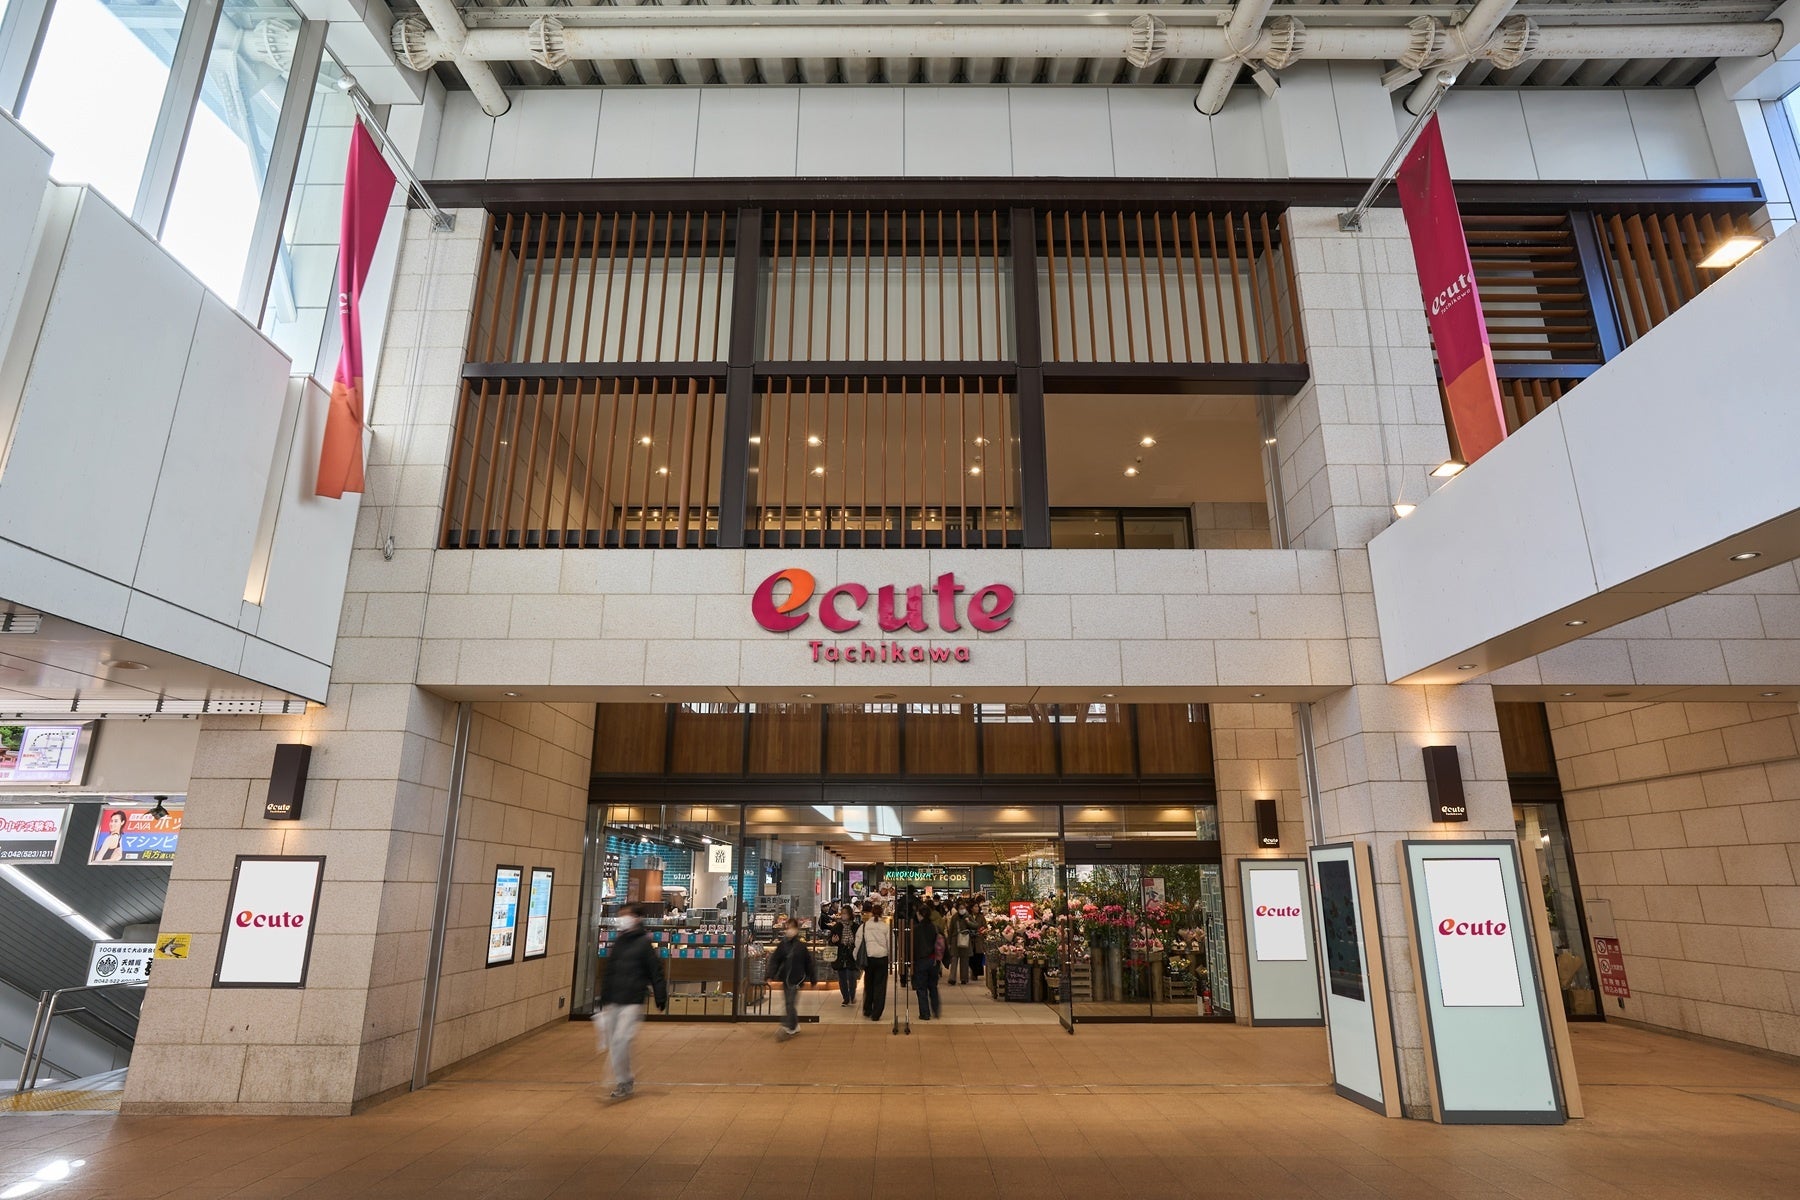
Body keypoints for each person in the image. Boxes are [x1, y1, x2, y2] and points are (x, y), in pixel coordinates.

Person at [594, 903, 667, 1100]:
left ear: (637, 918)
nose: (622, 919)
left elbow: (655, 971)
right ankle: (624, 1079)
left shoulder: (643, 943)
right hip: (614, 999)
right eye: (621, 915)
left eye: (626, 915)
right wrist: (604, 997)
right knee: (614, 1042)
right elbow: (610, 971)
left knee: (621, 1039)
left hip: (633, 1000)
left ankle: (624, 1081)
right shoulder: (619, 942)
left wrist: (660, 995)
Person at [766, 918, 818, 1038]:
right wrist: (770, 975)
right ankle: (794, 1024)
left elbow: (808, 963)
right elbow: (775, 960)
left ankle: (789, 1026)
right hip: (786, 978)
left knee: (790, 1002)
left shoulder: (801, 946)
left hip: (797, 979)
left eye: (791, 927)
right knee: (789, 1002)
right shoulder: (782, 946)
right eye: (788, 927)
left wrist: (813, 978)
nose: (789, 930)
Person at [854, 902, 891, 1021]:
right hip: (882, 958)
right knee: (880, 986)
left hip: (869, 958)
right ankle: (876, 1013)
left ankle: (867, 1009)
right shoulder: (885, 927)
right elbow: (891, 944)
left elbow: (858, 943)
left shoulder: (864, 926)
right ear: (881, 914)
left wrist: (855, 956)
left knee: (868, 984)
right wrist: (892, 959)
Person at [912, 901, 944, 1020]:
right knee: (933, 986)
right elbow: (941, 944)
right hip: (934, 961)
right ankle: (936, 1010)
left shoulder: (915, 929)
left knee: (921, 988)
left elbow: (912, 947)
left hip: (920, 961)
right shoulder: (935, 928)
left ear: (920, 915)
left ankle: (925, 1013)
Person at [824, 903, 858, 1007]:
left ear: (850, 914)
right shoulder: (837, 926)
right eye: (842, 913)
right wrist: (833, 941)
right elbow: (830, 940)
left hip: (851, 954)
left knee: (852, 977)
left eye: (845, 913)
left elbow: (859, 940)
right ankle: (846, 998)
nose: (843, 915)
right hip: (840, 954)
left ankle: (852, 995)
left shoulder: (856, 927)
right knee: (842, 978)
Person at [947, 901, 976, 986]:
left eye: (963, 908)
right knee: (954, 959)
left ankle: (964, 978)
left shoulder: (968, 916)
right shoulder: (954, 917)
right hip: (955, 940)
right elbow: (950, 930)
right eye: (960, 908)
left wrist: (968, 922)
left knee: (964, 960)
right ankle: (952, 978)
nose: (962, 910)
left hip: (965, 939)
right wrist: (949, 942)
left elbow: (975, 925)